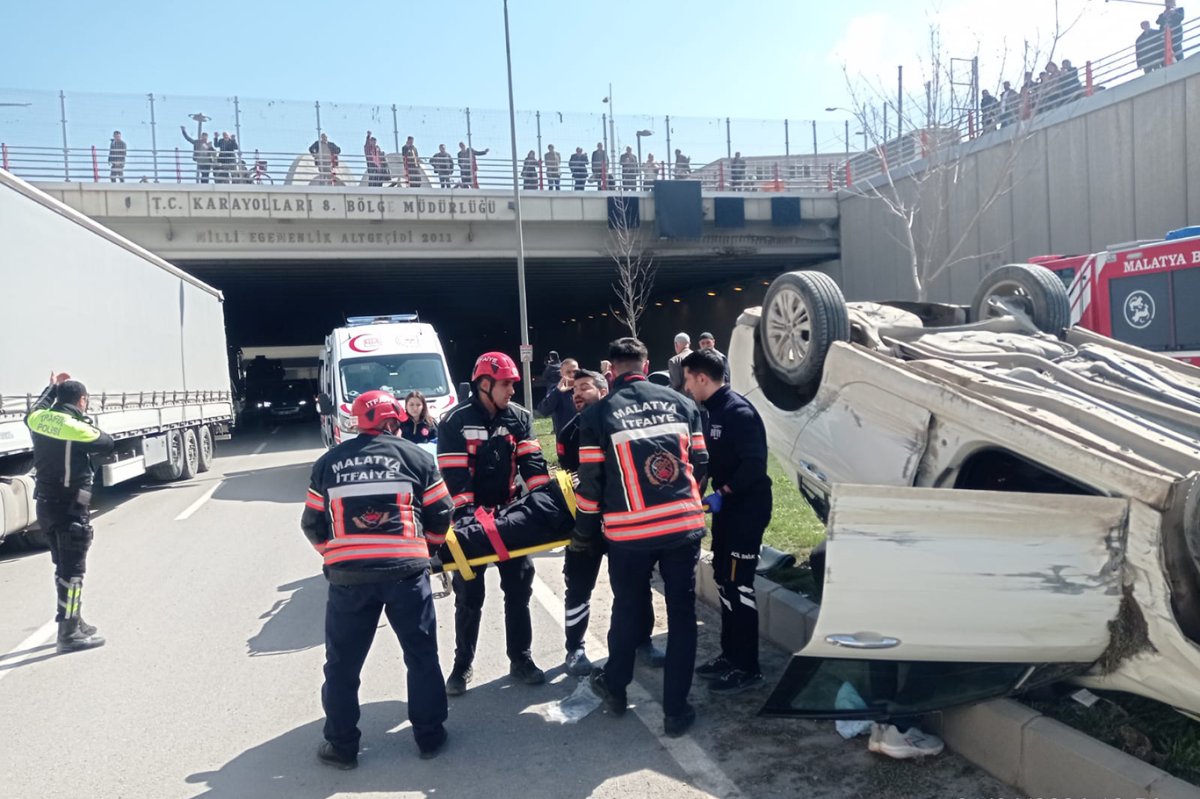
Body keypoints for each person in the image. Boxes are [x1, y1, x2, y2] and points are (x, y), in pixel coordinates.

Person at [301, 390, 453, 766]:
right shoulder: (416, 456)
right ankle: (429, 737)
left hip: (349, 579)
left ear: (358, 421)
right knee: (421, 657)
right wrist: (427, 550)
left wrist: (337, 556)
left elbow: (311, 523)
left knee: (342, 665)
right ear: (393, 420)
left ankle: (341, 745)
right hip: (406, 573)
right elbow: (442, 510)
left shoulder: (328, 463)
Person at [575, 337, 708, 738]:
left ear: (611, 371)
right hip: (681, 527)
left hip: (629, 533)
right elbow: (700, 461)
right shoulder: (684, 404)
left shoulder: (598, 413)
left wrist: (584, 530)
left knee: (628, 608)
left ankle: (615, 688)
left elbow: (592, 481)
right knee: (683, 616)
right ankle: (676, 711)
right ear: (647, 364)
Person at [437, 352, 551, 696]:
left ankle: (521, 658)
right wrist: (473, 529)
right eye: (506, 384)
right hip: (470, 522)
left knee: (519, 589)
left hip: (509, 516)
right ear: (484, 384)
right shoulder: (453, 422)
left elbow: (534, 466)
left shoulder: (520, 418)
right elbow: (456, 483)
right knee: (469, 596)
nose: (512, 390)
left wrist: (544, 508)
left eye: (513, 384)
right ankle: (461, 666)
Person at [557, 369, 664, 676]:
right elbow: (571, 479)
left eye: (584, 387)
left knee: (637, 584)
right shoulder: (567, 434)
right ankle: (574, 648)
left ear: (602, 391)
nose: (576, 393)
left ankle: (643, 641)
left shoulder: (622, 422)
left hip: (626, 521)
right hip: (585, 523)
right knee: (578, 585)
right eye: (574, 389)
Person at [682, 349, 772, 694]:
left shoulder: (738, 412)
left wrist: (726, 491)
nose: (687, 386)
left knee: (739, 587)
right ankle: (729, 655)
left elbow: (755, 464)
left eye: (689, 379)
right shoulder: (710, 411)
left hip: (746, 513)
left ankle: (748, 667)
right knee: (723, 581)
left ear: (702, 377)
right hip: (727, 512)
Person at [25, 372, 114, 653]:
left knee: (62, 567)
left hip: (46, 505)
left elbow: (35, 409)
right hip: (71, 507)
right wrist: (83, 420)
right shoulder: (75, 426)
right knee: (73, 572)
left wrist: (51, 387)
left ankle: (73, 618)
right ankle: (69, 633)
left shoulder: (39, 420)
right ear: (82, 400)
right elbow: (106, 442)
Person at [537, 357, 578, 435]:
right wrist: (558, 391)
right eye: (568, 372)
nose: (572, 375)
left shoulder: (584, 388)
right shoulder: (556, 390)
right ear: (561, 373)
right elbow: (543, 410)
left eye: (575, 371)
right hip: (565, 437)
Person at [1158, 0, 1185, 66]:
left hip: (1175, 35)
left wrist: (1173, 13)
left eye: (1170, 2)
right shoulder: (1162, 14)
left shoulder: (1179, 10)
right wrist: (1164, 15)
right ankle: (1165, 66)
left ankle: (1181, 63)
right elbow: (1158, 22)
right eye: (1167, 2)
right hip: (1165, 36)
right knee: (1165, 51)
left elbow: (1181, 17)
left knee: (1177, 49)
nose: (1168, 4)